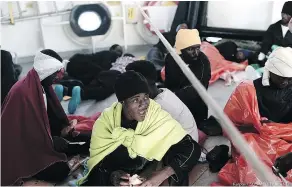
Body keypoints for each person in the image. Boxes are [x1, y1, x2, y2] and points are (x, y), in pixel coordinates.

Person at [78, 71, 201, 186]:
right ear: (122, 102)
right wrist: (115, 176)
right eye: (135, 100)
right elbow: (97, 165)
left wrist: (161, 175)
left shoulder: (155, 115)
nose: (144, 105)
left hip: (153, 164)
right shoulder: (106, 123)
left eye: (146, 97)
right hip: (129, 169)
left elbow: (192, 148)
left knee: (179, 167)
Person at [1, 49, 90, 186]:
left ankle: (80, 147)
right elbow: (18, 137)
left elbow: (49, 119)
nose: (58, 77)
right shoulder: (23, 93)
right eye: (55, 73)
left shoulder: (41, 86)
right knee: (60, 171)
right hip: (21, 152)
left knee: (86, 137)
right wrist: (50, 141)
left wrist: (63, 129)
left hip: (40, 140)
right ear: (46, 70)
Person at [126, 60, 199, 142]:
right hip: (187, 137)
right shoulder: (163, 91)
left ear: (148, 81)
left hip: (184, 148)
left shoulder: (159, 106)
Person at [55, 54, 136, 114]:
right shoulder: (133, 61)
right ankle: (81, 94)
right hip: (116, 75)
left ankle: (65, 91)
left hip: (106, 73)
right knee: (102, 92)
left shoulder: (119, 59)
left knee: (90, 86)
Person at [165, 29, 211, 125]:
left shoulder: (203, 61)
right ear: (180, 50)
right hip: (174, 106)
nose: (196, 53)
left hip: (195, 108)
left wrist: (172, 97)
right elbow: (169, 83)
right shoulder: (171, 58)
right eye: (190, 49)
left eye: (198, 48)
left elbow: (199, 88)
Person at [253, 47, 292, 123]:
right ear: (270, 71)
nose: (285, 82)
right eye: (281, 78)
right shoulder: (252, 88)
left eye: (290, 79)